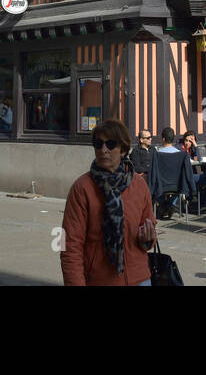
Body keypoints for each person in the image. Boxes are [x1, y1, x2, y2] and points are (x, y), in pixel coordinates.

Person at [61, 119, 157, 285]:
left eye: (110, 144)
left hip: (139, 278)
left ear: (123, 150)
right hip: (99, 279)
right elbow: (69, 245)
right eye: (98, 144)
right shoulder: (82, 188)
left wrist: (147, 238)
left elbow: (149, 229)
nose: (103, 150)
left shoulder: (138, 184)